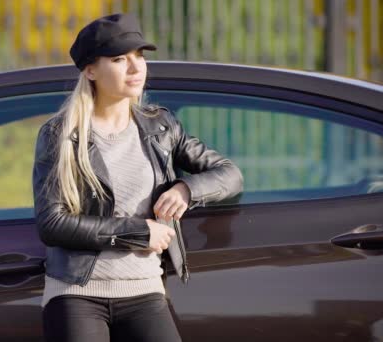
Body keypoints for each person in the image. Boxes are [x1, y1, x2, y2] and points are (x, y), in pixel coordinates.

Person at [32, 13, 243, 342]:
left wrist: (187, 189)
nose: (135, 68)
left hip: (144, 291)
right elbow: (52, 223)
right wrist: (138, 232)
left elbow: (229, 175)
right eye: (119, 59)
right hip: (76, 293)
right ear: (90, 70)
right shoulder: (61, 135)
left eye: (140, 56)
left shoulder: (160, 127)